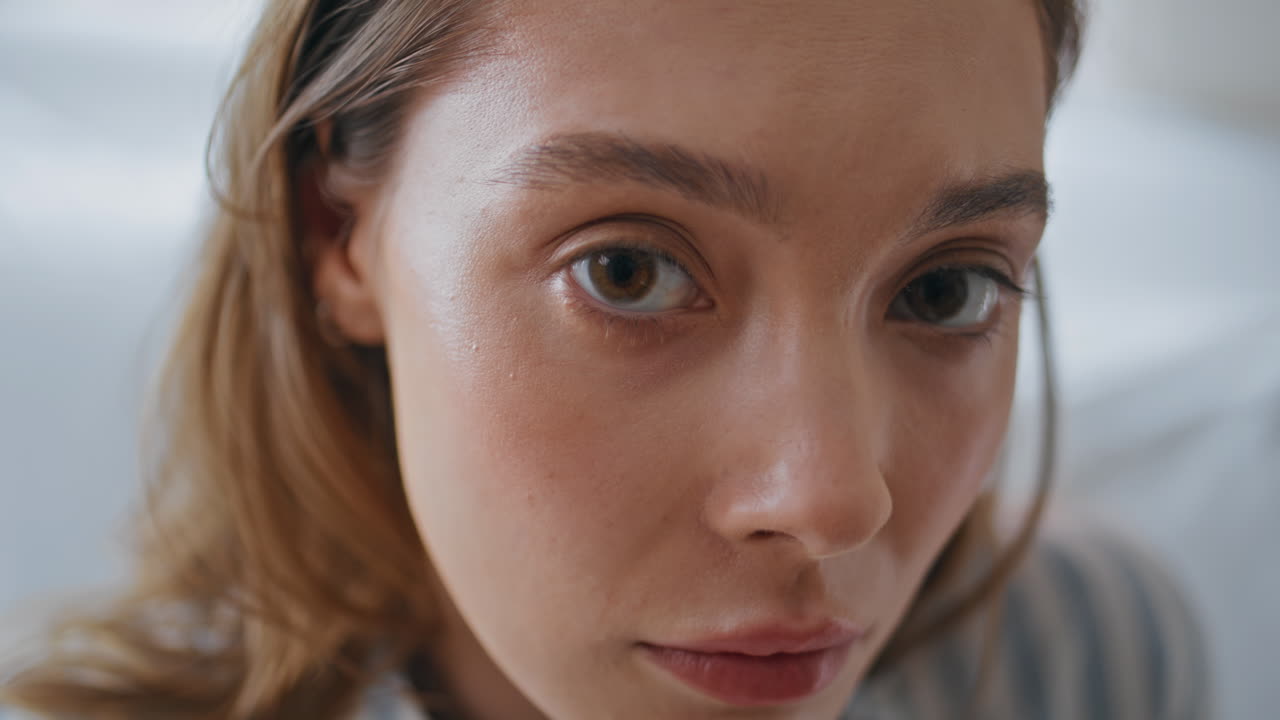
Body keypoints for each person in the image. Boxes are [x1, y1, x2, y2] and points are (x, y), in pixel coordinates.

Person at [0, 0, 1211, 718]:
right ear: (341, 238)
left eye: (944, 289)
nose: (833, 500)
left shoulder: (1079, 655)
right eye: (626, 271)